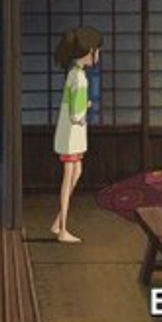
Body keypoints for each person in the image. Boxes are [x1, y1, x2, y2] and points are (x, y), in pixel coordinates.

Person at [51, 26, 103, 243]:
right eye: (98, 50)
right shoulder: (80, 78)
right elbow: (76, 113)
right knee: (69, 176)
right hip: (72, 133)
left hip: (69, 132)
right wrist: (86, 107)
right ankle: (62, 229)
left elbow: (71, 106)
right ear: (89, 51)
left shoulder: (74, 73)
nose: (98, 55)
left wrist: (83, 107)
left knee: (76, 171)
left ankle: (58, 222)